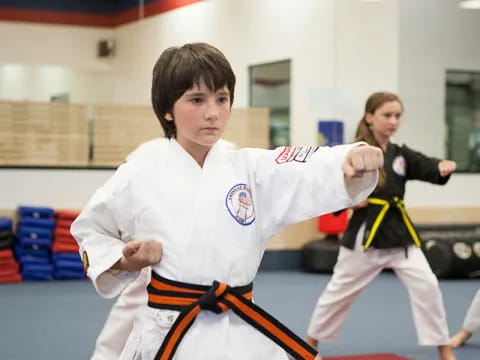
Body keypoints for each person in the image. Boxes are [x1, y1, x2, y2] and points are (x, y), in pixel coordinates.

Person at [71, 42, 383, 360]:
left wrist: (349, 158)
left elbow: (300, 166)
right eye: (197, 99)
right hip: (169, 331)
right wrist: (127, 260)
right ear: (167, 109)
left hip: (237, 326)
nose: (213, 113)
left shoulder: (248, 167)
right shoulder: (139, 173)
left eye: (222, 99)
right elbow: (91, 230)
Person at [306, 91, 458, 360]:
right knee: (339, 292)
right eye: (387, 115)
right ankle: (310, 346)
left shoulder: (400, 154)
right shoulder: (353, 152)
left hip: (399, 235)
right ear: (369, 117)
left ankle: (444, 349)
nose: (393, 121)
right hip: (366, 235)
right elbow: (332, 188)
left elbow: (425, 165)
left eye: (397, 116)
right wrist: (351, 199)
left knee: (428, 286)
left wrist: (441, 167)